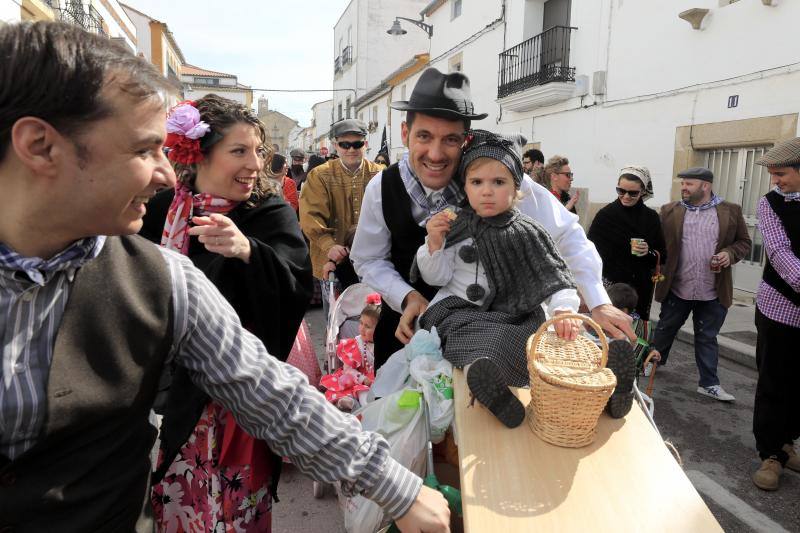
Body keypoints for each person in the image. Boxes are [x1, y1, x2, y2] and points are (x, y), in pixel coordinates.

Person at [0, 21, 449, 532]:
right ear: (39, 146)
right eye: (142, 150)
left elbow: (264, 385)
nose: (166, 171)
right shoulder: (163, 222)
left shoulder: (159, 277)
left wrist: (251, 253)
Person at [350, 67, 633, 368]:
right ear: (405, 134)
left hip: (493, 338)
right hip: (408, 332)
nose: (435, 153)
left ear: (466, 139)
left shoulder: (499, 178)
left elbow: (567, 235)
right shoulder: (382, 188)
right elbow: (368, 259)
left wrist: (599, 301)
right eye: (424, 136)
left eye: (449, 140)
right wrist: (407, 296)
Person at [139, 95, 313, 529]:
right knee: (176, 500)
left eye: (258, 151)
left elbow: (296, 288)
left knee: (236, 510)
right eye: (239, 151)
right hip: (165, 395)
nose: (255, 163)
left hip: (236, 398)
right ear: (199, 154)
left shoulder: (267, 214)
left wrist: (249, 252)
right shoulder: (161, 212)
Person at [414, 130, 581, 428]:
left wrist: (564, 308)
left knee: (524, 337)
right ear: (465, 186)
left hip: (510, 313)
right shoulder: (455, 224)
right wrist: (434, 244)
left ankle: (494, 381)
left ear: (516, 188)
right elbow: (437, 276)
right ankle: (485, 376)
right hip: (461, 310)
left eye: (498, 182)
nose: (486, 191)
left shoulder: (528, 230)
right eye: (477, 182)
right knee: (457, 330)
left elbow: (553, 276)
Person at [652, 167, 751, 402]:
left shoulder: (731, 211)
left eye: (689, 184)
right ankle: (653, 362)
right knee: (665, 329)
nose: (683, 188)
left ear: (705, 186)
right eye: (683, 183)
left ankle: (709, 383)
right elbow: (658, 242)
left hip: (713, 289)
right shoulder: (669, 210)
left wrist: (729, 254)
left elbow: (744, 242)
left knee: (707, 337)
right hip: (678, 287)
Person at [750, 138, 800, 491]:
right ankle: (770, 453)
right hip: (779, 307)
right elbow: (780, 254)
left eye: (780, 174)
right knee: (774, 382)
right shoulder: (770, 205)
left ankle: (787, 444)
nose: (775, 181)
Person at [299, 119, 382, 319]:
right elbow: (311, 216)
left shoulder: (380, 174)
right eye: (345, 144)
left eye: (357, 144)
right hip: (332, 261)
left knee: (373, 321)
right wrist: (329, 246)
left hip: (372, 262)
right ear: (335, 145)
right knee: (337, 322)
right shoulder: (320, 175)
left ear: (366, 143)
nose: (351, 149)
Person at [588, 165, 667, 320]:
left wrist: (648, 252)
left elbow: (663, 254)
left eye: (633, 193)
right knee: (609, 334)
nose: (625, 196)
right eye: (621, 191)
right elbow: (589, 252)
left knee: (635, 334)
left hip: (640, 289)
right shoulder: (606, 216)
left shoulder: (651, 218)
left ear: (643, 191)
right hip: (611, 287)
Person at [320, 293, 381, 411]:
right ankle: (360, 409)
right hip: (359, 380)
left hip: (379, 379)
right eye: (361, 323)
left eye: (367, 326)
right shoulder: (356, 344)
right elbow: (348, 370)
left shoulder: (383, 344)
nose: (362, 328)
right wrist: (363, 379)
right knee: (364, 394)